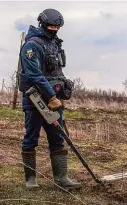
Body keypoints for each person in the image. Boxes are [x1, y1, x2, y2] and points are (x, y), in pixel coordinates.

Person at [19, 8, 82, 190]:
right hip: (35, 100)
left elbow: (56, 73)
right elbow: (34, 75)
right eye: (52, 26)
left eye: (57, 27)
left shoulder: (54, 44)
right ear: (43, 24)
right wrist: (51, 96)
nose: (54, 29)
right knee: (31, 138)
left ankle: (62, 178)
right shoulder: (32, 45)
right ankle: (31, 180)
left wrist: (60, 92)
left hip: (54, 101)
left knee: (58, 138)